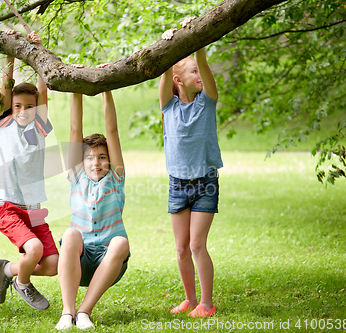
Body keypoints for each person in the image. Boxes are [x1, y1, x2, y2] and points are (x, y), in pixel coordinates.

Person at [55, 64, 130, 330]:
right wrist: (77, 88)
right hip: (81, 258)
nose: (96, 162)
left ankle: (84, 312)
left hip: (109, 261)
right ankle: (67, 312)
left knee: (121, 241)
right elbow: (75, 130)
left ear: (110, 161)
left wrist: (106, 88)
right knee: (71, 233)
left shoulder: (116, 178)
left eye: (102, 157)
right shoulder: (76, 178)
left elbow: (113, 133)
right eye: (89, 158)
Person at [0, 30, 59, 311]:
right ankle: (23, 283)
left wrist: (38, 51)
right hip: (6, 205)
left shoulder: (39, 127)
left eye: (29, 107)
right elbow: (7, 86)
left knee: (53, 264)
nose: (23, 111)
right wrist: (11, 52)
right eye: (17, 106)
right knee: (35, 250)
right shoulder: (5, 124)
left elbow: (43, 93)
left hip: (33, 207)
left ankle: (8, 271)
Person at [159, 17, 222, 318]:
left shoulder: (206, 102)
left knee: (197, 244)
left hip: (205, 183)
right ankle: (189, 299)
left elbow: (206, 70)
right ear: (178, 79)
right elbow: (162, 71)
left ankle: (206, 304)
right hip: (177, 184)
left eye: (199, 69)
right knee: (182, 247)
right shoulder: (168, 106)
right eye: (192, 71)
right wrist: (168, 46)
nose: (199, 74)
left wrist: (196, 42)